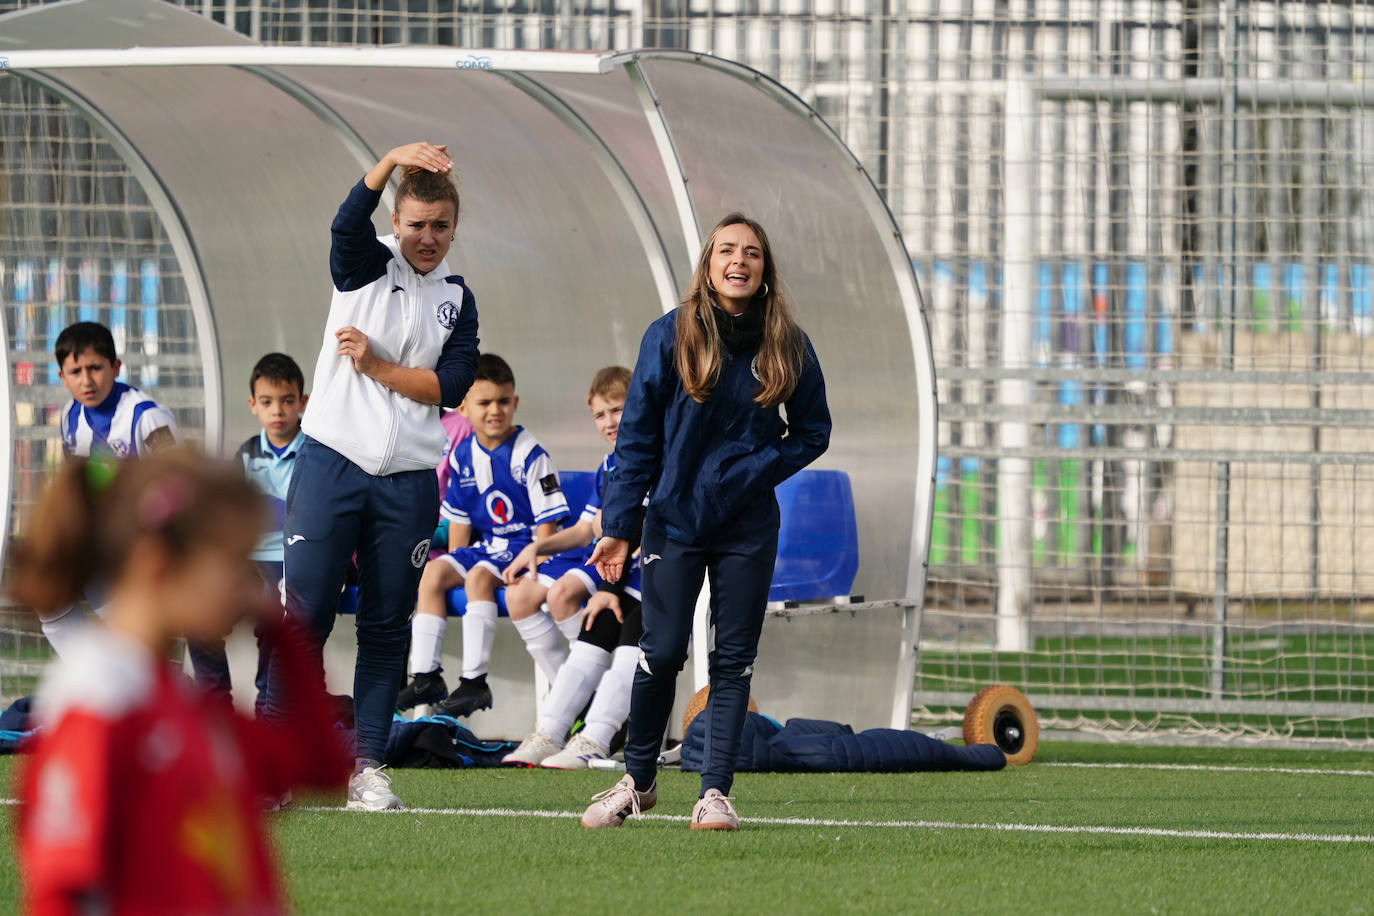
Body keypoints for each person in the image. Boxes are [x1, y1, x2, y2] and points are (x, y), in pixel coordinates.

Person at [9, 450, 351, 914]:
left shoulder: (181, 702)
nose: (246, 580)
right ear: (159, 563)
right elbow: (59, 892)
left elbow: (322, 767)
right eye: (232, 561)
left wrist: (279, 625)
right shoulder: (98, 702)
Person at [580, 213, 831, 831]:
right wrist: (620, 524)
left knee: (732, 661)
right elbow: (636, 437)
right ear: (709, 263)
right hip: (673, 522)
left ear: (765, 268)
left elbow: (814, 432)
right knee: (660, 653)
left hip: (747, 528)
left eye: (751, 252)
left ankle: (714, 793)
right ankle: (637, 782)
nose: (738, 261)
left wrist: (753, 469)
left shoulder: (789, 344)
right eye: (726, 251)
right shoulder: (669, 335)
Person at [268, 141, 479, 812]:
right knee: (304, 618)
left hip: (411, 480)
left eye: (440, 226)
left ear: (454, 226)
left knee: (388, 626)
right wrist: (387, 161)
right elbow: (343, 224)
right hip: (332, 463)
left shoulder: (456, 296)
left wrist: (379, 367)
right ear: (397, 220)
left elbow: (449, 386)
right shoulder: (363, 264)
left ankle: (366, 769)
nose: (427, 238)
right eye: (415, 224)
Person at [397, 353, 570, 716]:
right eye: (485, 402)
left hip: (524, 549)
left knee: (478, 578)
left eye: (503, 401)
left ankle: (474, 682)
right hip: (487, 548)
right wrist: (452, 565)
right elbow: (458, 522)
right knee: (432, 573)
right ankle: (425, 675)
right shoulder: (462, 454)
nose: (495, 410)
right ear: (463, 407)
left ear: (515, 403)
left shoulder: (529, 453)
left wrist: (536, 562)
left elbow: (548, 522)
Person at [500, 365, 645, 768]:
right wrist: (538, 547)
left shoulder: (658, 455)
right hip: (623, 575)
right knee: (595, 626)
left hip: (660, 577)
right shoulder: (612, 464)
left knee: (632, 631)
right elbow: (589, 528)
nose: (610, 421)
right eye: (601, 414)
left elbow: (640, 523)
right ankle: (551, 731)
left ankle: (598, 737)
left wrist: (608, 585)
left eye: (617, 410)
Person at [39, 321, 180, 658]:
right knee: (49, 600)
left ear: (115, 367)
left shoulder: (147, 417)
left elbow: (182, 485)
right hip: (97, 542)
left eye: (95, 368)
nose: (86, 380)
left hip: (140, 548)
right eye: (75, 371)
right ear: (62, 376)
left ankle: (144, 689)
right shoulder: (70, 417)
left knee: (132, 642)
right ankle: (93, 680)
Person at [187, 353, 309, 710]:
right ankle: (216, 707)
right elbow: (233, 515)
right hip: (246, 561)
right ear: (253, 405)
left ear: (303, 403)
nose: (278, 411)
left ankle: (268, 708)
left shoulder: (314, 454)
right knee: (198, 611)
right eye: (268, 402)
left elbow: (303, 515)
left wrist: (263, 508)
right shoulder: (245, 454)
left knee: (276, 618)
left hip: (289, 561)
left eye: (288, 401)